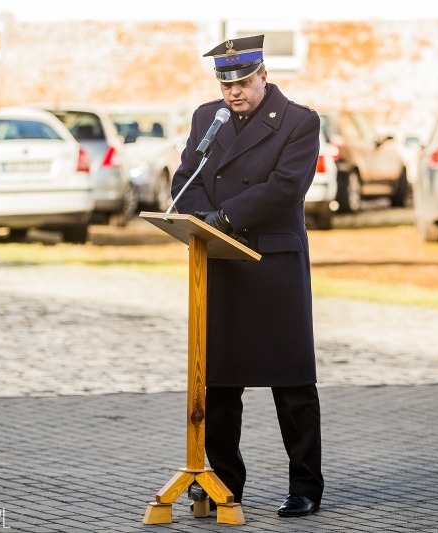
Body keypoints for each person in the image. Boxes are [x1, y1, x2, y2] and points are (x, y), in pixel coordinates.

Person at [170, 34, 324, 517]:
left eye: (242, 81)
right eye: (225, 83)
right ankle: (223, 482)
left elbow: (285, 188)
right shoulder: (205, 118)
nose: (233, 92)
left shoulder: (300, 121)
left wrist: (225, 218)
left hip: (272, 263)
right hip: (220, 262)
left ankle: (305, 485)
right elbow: (185, 179)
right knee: (218, 381)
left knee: (292, 383)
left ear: (263, 76)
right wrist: (200, 222)